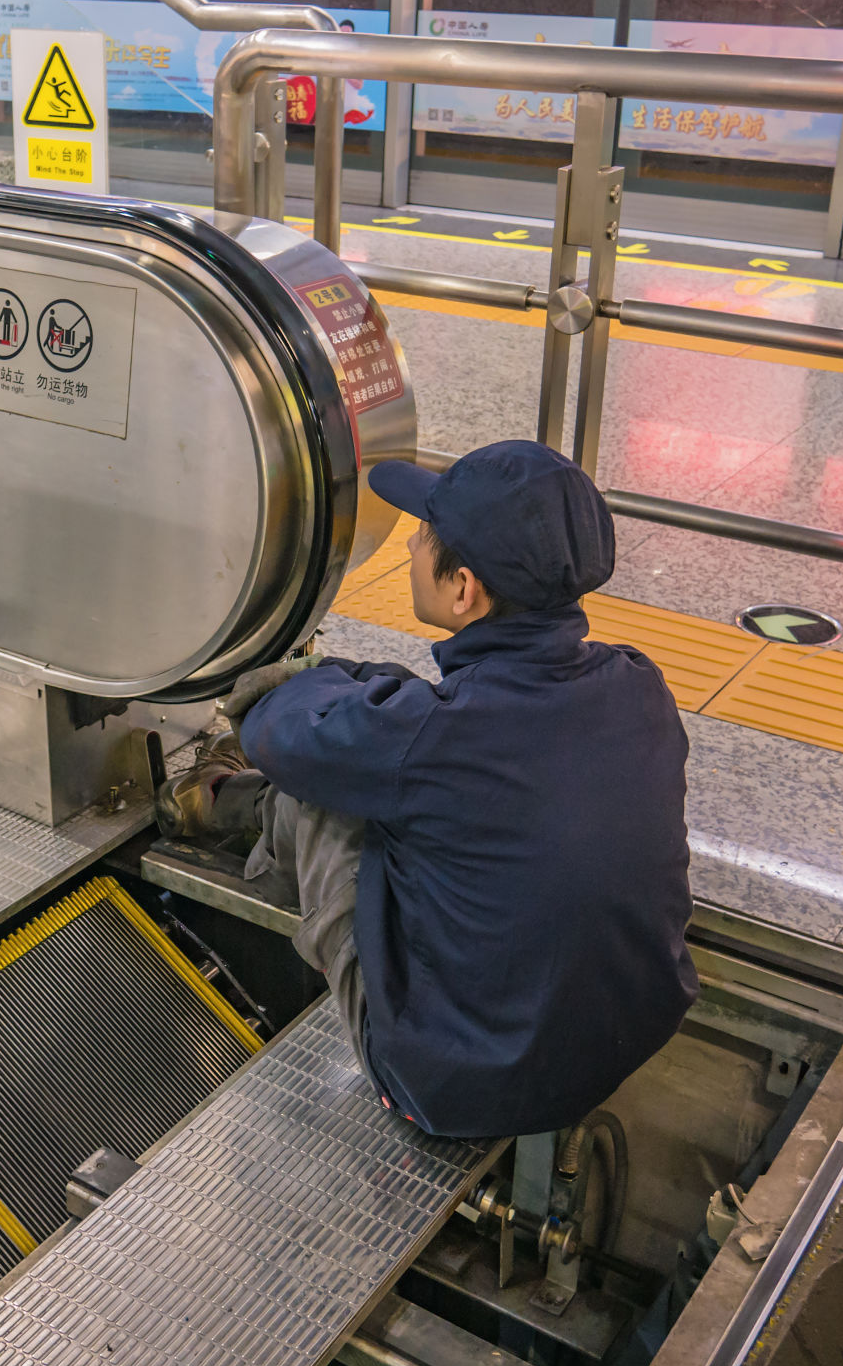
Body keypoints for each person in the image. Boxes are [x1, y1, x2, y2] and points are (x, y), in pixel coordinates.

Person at [157, 441, 697, 1139]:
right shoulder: (639, 686)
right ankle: (237, 802)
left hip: (453, 1086)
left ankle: (227, 819)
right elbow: (434, 729)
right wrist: (357, 682)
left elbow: (281, 733)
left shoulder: (431, 738)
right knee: (380, 755)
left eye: (423, 535)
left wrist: (303, 677)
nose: (411, 543)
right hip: (622, 1042)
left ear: (464, 589)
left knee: (324, 789)